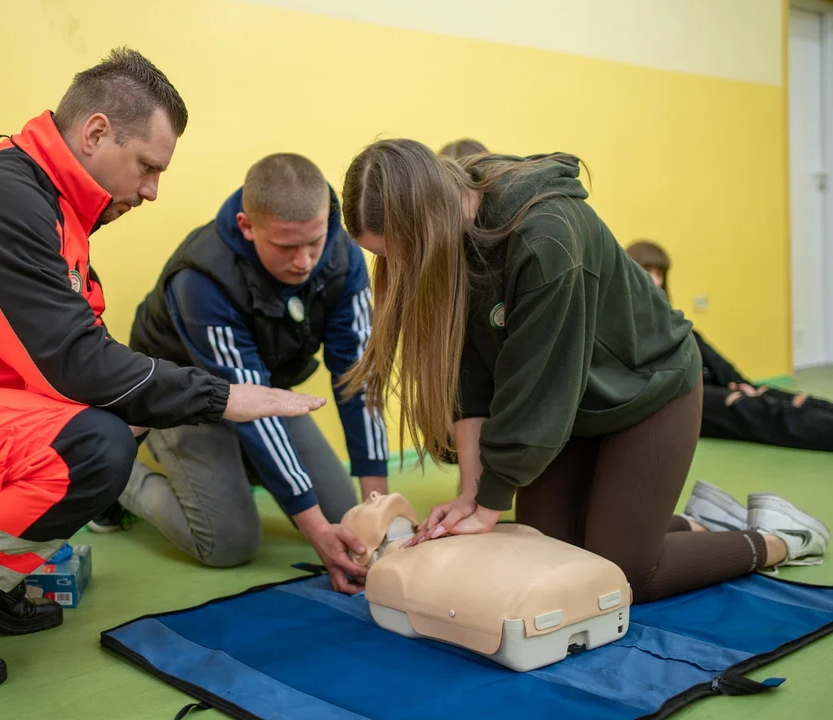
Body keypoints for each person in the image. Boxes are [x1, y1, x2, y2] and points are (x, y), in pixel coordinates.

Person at [0, 48, 326, 694]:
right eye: (148, 167)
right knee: (89, 447)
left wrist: (138, 414)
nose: (153, 190)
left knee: (101, 436)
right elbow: (75, 362)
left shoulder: (52, 212)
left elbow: (76, 355)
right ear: (96, 133)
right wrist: (219, 396)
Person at [335, 139, 828, 603]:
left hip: (647, 390)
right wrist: (469, 493)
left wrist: (486, 508)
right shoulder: (452, 233)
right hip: (572, 407)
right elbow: (469, 373)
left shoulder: (546, 236)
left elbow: (538, 392)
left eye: (396, 254)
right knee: (550, 555)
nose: (396, 270)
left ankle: (781, 537)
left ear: (424, 220)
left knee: (622, 573)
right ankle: (698, 523)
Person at [93, 153, 388, 592]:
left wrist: (377, 510)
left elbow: (357, 377)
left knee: (345, 513)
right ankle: (117, 479)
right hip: (184, 398)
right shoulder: (202, 281)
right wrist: (316, 536)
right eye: (287, 247)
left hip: (261, 390)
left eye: (315, 242)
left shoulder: (342, 255)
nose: (305, 261)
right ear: (247, 227)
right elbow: (245, 402)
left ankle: (233, 473)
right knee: (229, 544)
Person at [626, 239, 833, 453]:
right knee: (765, 412)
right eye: (648, 271)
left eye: (660, 274)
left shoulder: (672, 322)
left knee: (788, 399)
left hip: (710, 386)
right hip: (680, 397)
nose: (656, 280)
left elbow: (711, 357)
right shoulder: (624, 324)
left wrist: (738, 382)